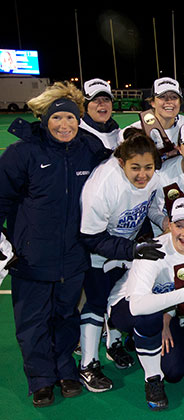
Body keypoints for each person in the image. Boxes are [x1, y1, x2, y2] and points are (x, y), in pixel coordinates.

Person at [0, 81, 110, 407]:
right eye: (57, 119)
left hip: (74, 256)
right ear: (44, 120)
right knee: (33, 321)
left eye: (71, 119)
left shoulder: (89, 149)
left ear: (79, 120)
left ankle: (65, 370)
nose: (65, 126)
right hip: (31, 257)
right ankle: (41, 379)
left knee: (65, 316)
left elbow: (117, 177)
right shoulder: (23, 153)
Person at [78, 128, 165, 392]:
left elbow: (149, 206)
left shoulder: (154, 177)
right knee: (95, 300)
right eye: (135, 168)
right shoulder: (104, 186)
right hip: (98, 247)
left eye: (148, 167)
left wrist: (164, 221)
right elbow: (91, 237)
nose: (143, 174)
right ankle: (87, 364)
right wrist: (131, 249)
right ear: (120, 162)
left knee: (121, 294)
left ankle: (113, 343)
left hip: (128, 244)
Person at [107, 198, 184, 410]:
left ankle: (142, 340)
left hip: (164, 309)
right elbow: (137, 305)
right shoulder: (152, 251)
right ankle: (153, 379)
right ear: (169, 225)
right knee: (148, 317)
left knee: (175, 372)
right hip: (125, 306)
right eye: (179, 226)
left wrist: (168, 317)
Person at [118, 77, 184, 154]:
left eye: (174, 97)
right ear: (152, 102)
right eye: (162, 97)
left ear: (180, 102)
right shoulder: (135, 131)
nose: (169, 101)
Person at [79, 78, 120, 150]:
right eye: (95, 99)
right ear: (85, 106)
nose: (102, 103)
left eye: (106, 99)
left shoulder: (120, 135)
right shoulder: (75, 133)